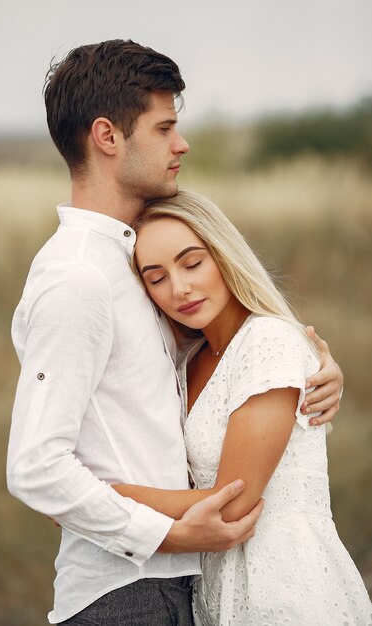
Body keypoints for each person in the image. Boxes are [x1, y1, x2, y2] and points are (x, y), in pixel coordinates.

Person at [7, 40, 343, 626]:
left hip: (179, 587)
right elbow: (36, 467)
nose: (181, 143)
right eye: (164, 128)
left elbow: (220, 362)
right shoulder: (80, 277)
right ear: (108, 137)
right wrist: (166, 532)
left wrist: (305, 367)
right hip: (124, 593)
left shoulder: (133, 257)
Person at [112, 190, 372, 625]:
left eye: (192, 263)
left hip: (286, 588)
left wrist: (102, 498)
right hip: (216, 589)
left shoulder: (267, 341)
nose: (180, 288)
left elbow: (232, 504)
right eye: (156, 278)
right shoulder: (188, 359)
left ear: (223, 254)